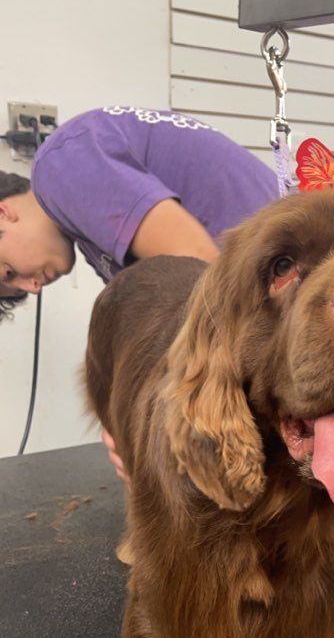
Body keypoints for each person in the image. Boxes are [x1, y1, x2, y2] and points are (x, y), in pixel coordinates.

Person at [0, 105, 279, 477]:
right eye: (15, 288)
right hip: (272, 309)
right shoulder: (91, 236)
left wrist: (138, 414)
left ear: (3, 214)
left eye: (8, 272)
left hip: (281, 299)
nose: (31, 287)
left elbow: (197, 276)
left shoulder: (61, 164)